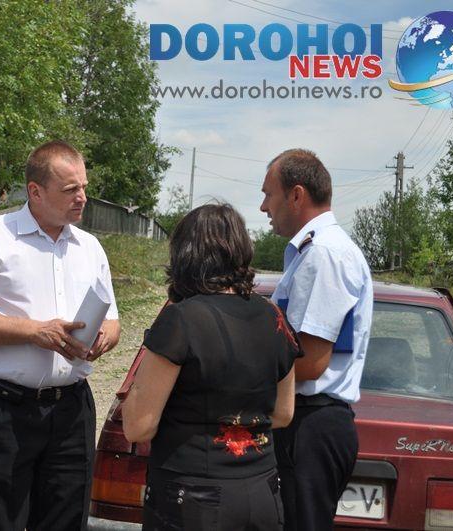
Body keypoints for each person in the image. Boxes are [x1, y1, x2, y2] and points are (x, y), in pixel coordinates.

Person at [0, 140, 121, 531]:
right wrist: (35, 332)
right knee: (1, 520)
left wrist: (105, 338)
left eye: (83, 187)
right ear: (35, 191)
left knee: (66, 520)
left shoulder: (90, 247)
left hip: (72, 410)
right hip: (5, 410)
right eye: (70, 189)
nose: (82, 197)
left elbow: (113, 319)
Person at [123, 204, 300, 531]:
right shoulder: (273, 316)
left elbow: (138, 427)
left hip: (193, 495)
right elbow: (284, 413)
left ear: (185, 255)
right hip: (261, 490)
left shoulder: (181, 319)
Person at [260, 148, 373, 531]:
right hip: (309, 421)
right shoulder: (316, 251)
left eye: (268, 194)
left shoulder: (324, 254)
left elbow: (310, 363)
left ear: (296, 195)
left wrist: (239, 375)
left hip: (310, 423)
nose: (263, 207)